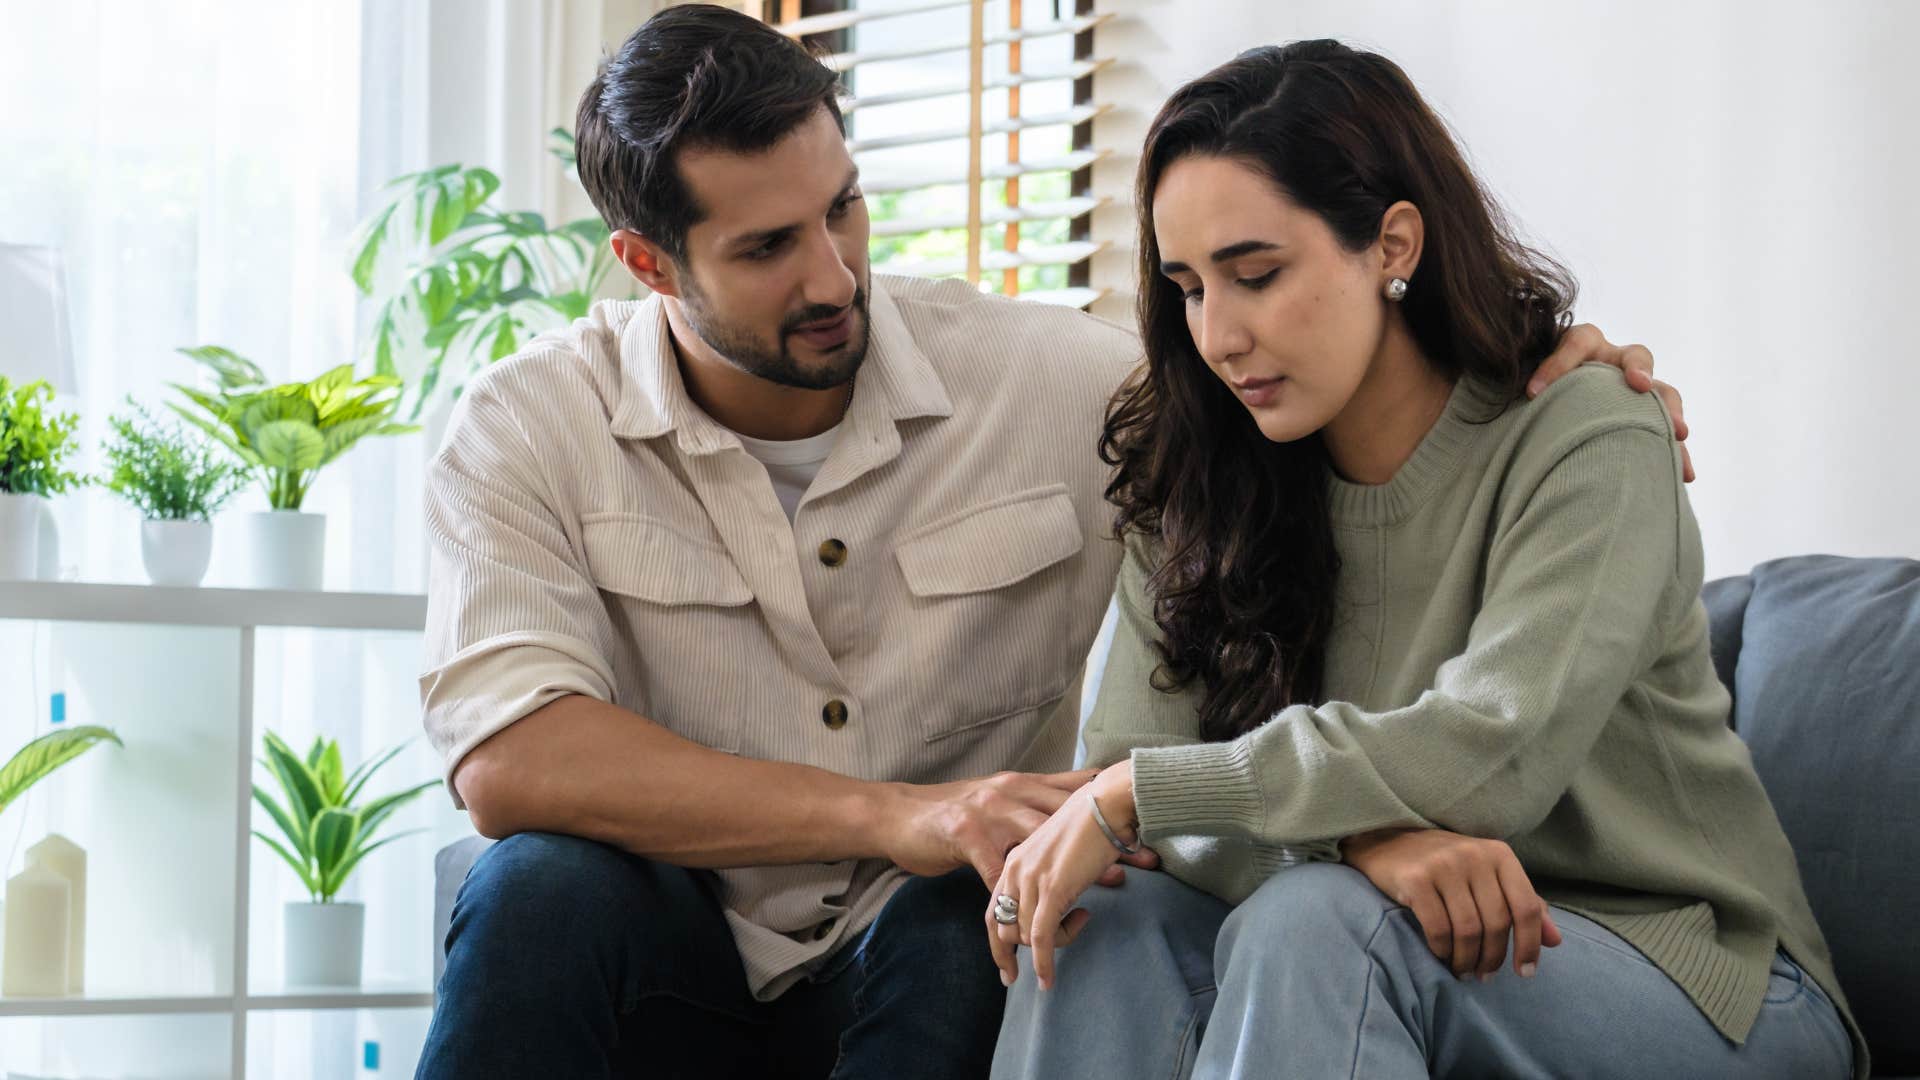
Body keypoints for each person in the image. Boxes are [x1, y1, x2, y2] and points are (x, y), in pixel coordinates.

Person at [414, 9, 1686, 1078]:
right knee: (534, 891)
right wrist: (901, 814)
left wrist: (1559, 373)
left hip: (935, 948)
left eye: (843, 209)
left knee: (1020, 905)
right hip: (672, 949)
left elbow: (1309, 376)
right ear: (648, 264)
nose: (835, 276)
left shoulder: (1076, 388)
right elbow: (512, 760)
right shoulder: (527, 424)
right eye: (766, 248)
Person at [987, 39, 1864, 1080]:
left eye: (1256, 275)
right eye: (1188, 288)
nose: (1217, 335)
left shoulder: (1586, 435)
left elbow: (1492, 751)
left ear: (1392, 245)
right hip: (1391, 930)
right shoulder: (1201, 476)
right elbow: (1140, 793)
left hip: (1697, 975)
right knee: (1105, 914)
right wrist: (1355, 842)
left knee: (1319, 924)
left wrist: (1177, 802)